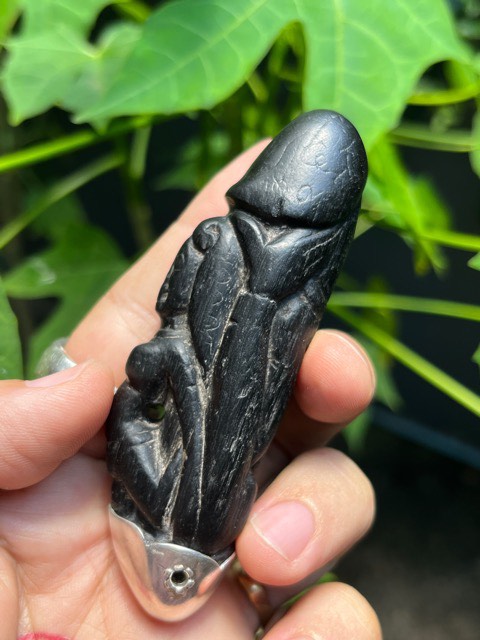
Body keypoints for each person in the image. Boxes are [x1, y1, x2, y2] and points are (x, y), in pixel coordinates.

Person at [0, 142, 381, 639]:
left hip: (203, 483)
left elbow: (176, 324)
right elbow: (171, 322)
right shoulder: (219, 242)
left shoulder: (249, 256)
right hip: (183, 472)